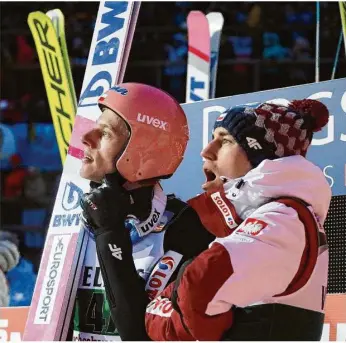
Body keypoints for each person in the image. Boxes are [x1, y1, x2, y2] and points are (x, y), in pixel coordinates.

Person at [81, 97, 331, 341]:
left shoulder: (284, 219)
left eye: (225, 141)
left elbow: (193, 293)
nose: (206, 151)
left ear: (260, 156)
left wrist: (155, 311)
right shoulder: (245, 219)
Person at [74, 83, 214, 341]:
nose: (86, 138)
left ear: (141, 150)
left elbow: (140, 336)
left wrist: (110, 233)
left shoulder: (187, 230)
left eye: (104, 133)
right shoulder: (70, 219)